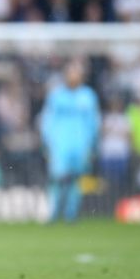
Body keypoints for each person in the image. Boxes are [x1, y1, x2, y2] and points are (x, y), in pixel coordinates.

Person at [40, 60, 100, 222]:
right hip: (59, 144)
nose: (73, 76)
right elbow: (46, 120)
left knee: (76, 179)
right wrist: (46, 142)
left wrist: (92, 145)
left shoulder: (88, 96)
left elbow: (94, 122)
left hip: (81, 144)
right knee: (57, 178)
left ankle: (70, 215)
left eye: (77, 73)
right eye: (71, 73)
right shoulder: (56, 95)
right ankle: (52, 213)